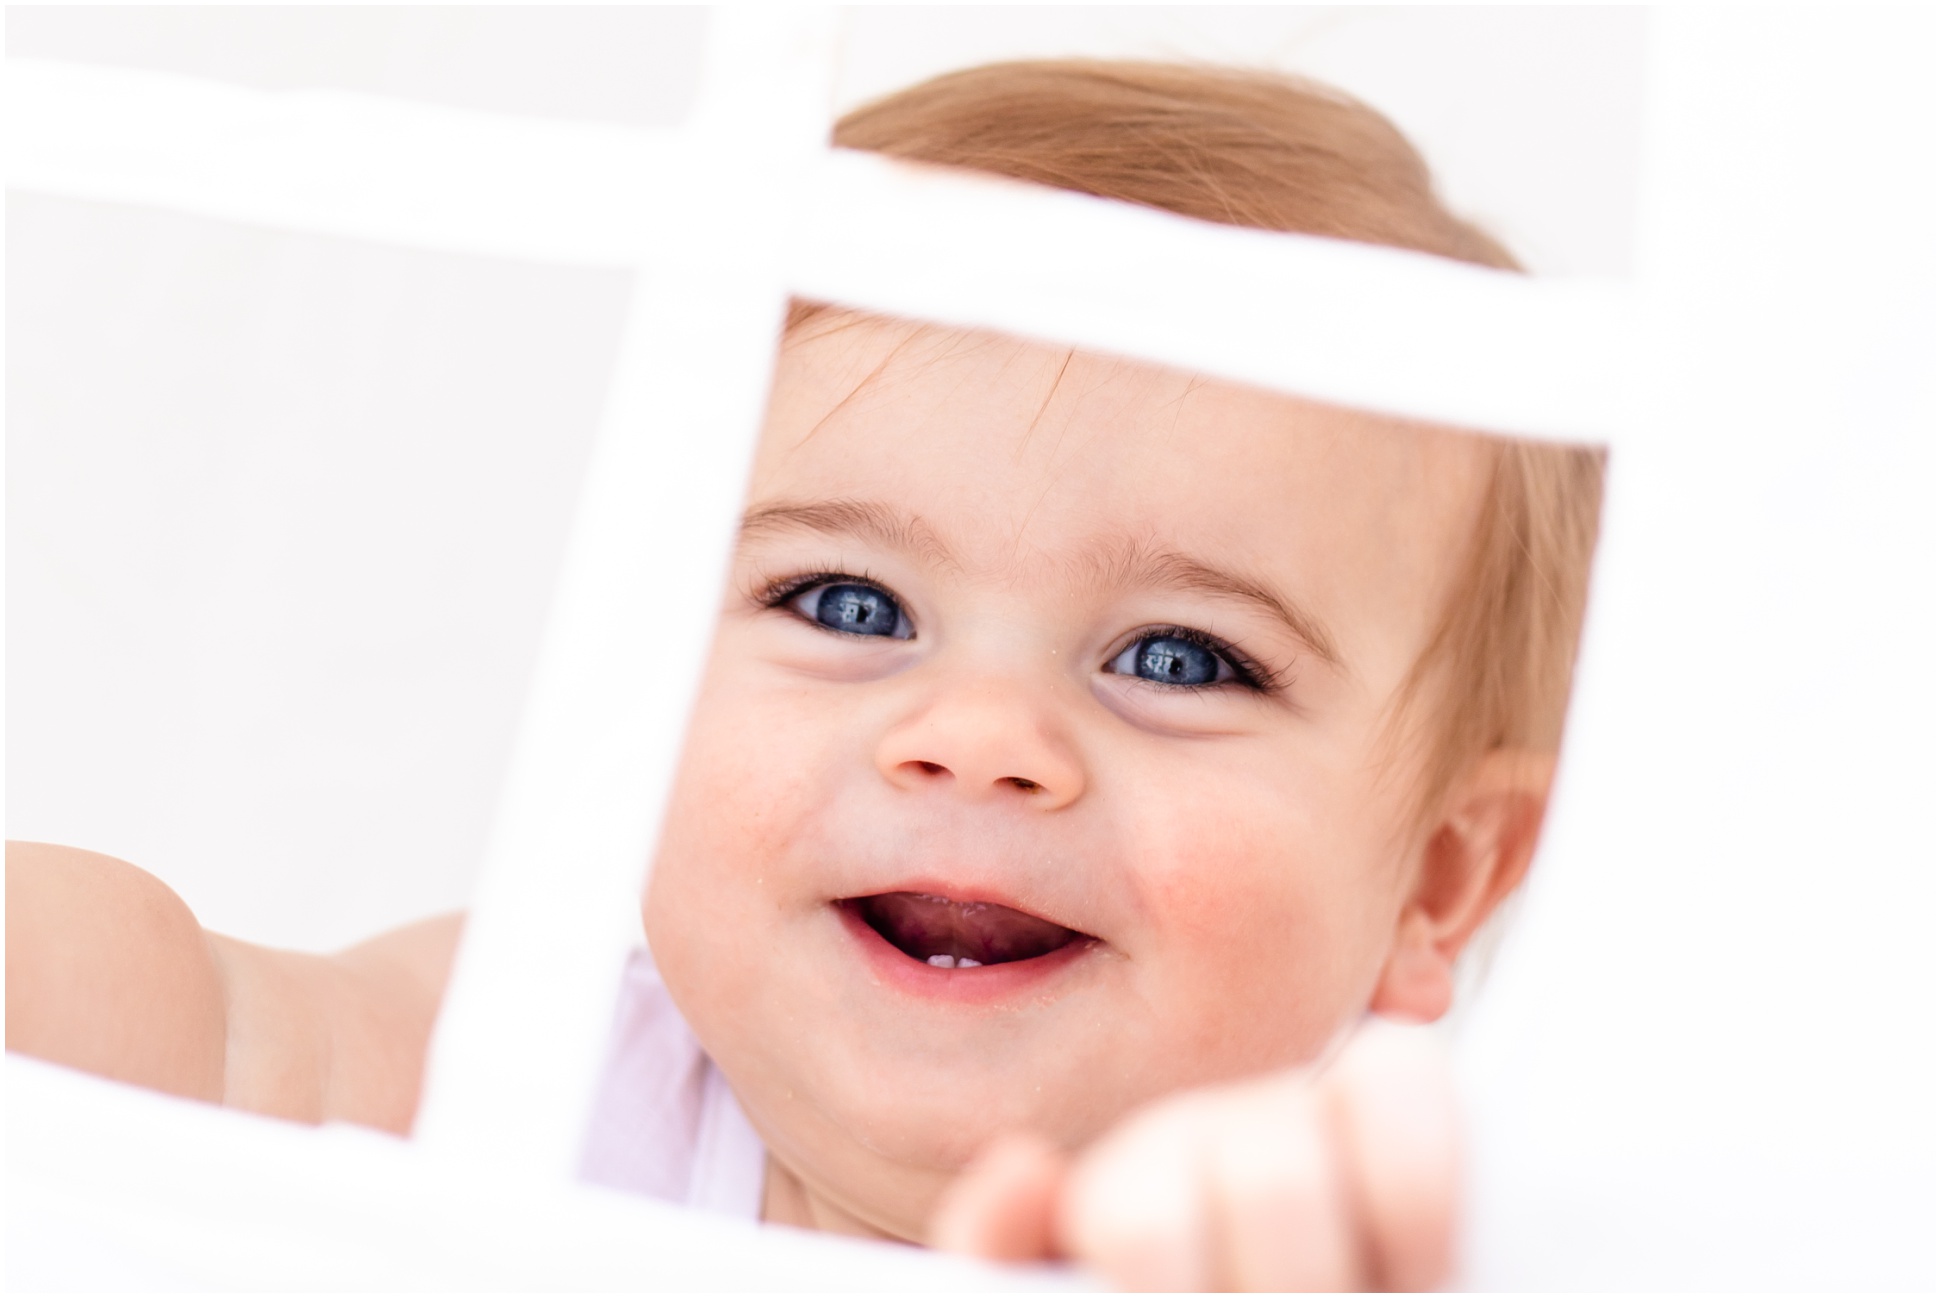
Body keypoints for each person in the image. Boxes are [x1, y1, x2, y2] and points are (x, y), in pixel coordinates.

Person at [5, 61, 1603, 1290]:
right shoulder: (535, 1060)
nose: (976, 740)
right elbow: (188, 1018)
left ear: (1439, 880)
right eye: (845, 600)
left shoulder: (1318, 1221)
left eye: (1179, 656)